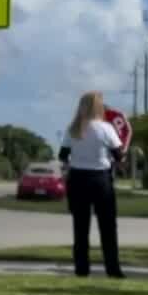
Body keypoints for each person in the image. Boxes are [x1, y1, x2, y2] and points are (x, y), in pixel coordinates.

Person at [59, 91, 126, 278]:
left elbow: (63, 156)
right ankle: (113, 269)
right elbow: (119, 155)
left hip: (78, 179)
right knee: (108, 227)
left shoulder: (73, 129)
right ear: (99, 107)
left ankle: (81, 269)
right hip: (101, 179)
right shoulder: (105, 129)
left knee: (80, 228)